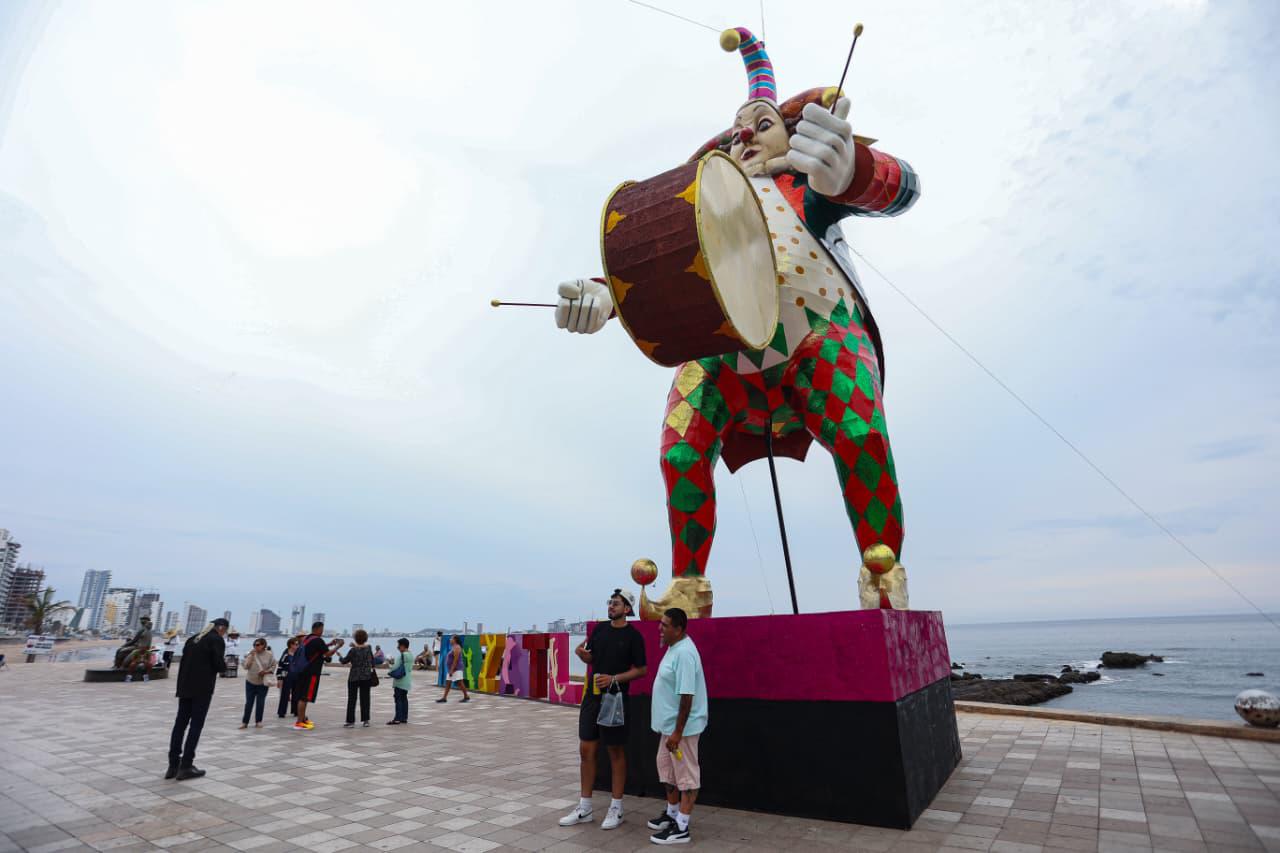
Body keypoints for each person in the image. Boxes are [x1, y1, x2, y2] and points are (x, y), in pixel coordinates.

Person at [552, 27, 919, 618]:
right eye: (738, 128)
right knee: (679, 448)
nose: (746, 133)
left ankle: (882, 570)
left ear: (790, 134)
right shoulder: (708, 208)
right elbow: (657, 271)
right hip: (725, 351)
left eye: (763, 123)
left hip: (818, 334)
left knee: (860, 433)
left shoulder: (809, 185)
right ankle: (689, 586)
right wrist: (604, 296)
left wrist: (852, 167)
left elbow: (902, 189)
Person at [559, 589, 647, 831]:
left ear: (627, 609)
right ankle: (584, 807)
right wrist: (582, 655)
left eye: (616, 604)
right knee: (586, 749)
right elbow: (593, 658)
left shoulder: (633, 636)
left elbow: (641, 670)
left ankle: (616, 808)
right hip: (592, 697)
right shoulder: (599, 630)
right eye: (610, 602)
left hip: (616, 699)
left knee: (616, 752)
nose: (611, 606)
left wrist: (614, 678)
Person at [647, 608, 708, 845]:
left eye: (664, 625)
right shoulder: (674, 648)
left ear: (678, 629)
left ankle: (681, 826)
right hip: (668, 728)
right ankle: (672, 814)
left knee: (687, 776)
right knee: (667, 770)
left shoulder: (684, 654)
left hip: (681, 730)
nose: (659, 628)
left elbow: (686, 696)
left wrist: (677, 732)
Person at [166, 618, 228, 780]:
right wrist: (224, 666)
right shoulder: (216, 639)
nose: (224, 633)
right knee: (195, 725)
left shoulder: (193, 638)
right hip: (202, 688)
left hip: (185, 686)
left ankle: (173, 765)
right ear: (221, 628)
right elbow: (219, 664)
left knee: (180, 724)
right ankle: (186, 765)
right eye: (225, 631)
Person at [293, 622, 344, 730]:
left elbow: (318, 649)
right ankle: (299, 722)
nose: (322, 632)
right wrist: (338, 646)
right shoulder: (317, 640)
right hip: (311, 672)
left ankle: (302, 719)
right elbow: (327, 654)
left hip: (302, 671)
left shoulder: (307, 639)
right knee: (305, 697)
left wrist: (330, 644)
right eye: (322, 629)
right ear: (319, 629)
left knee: (303, 696)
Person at [239, 638, 276, 729]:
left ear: (264, 645)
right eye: (255, 645)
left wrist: (266, 671)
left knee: (260, 702)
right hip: (250, 681)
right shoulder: (251, 654)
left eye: (258, 645)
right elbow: (246, 666)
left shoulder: (269, 655)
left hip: (262, 682)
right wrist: (251, 656)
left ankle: (258, 721)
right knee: (249, 703)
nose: (256, 646)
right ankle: (245, 722)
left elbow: (274, 665)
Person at [342, 629, 375, 728]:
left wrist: (339, 657)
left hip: (354, 677)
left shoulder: (353, 650)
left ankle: (350, 722)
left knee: (352, 699)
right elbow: (372, 661)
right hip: (366, 676)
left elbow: (344, 661)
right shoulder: (369, 649)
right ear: (366, 638)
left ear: (355, 639)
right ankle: (366, 721)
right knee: (365, 699)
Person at [436, 635, 470, 703]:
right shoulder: (453, 647)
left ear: (455, 640)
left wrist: (452, 669)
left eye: (451, 638)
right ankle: (444, 698)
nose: (450, 640)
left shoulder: (457, 647)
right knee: (448, 682)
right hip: (452, 669)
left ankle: (466, 696)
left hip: (456, 668)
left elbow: (456, 660)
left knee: (460, 682)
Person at [386, 638, 413, 724]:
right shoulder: (411, 654)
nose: (397, 647)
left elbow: (395, 667)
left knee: (398, 699)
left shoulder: (402, 655)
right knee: (404, 699)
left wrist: (390, 665)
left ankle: (397, 718)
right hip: (407, 680)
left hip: (400, 681)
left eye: (398, 645)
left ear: (402, 646)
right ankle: (404, 718)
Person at [275, 637, 299, 718]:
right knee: (285, 694)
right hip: (287, 676)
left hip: (297, 676)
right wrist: (279, 679)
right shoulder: (285, 654)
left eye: (298, 644)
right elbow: (280, 666)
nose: (297, 646)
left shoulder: (298, 653)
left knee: (296, 694)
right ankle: (281, 712)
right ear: (291, 645)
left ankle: (296, 711)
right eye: (296, 644)